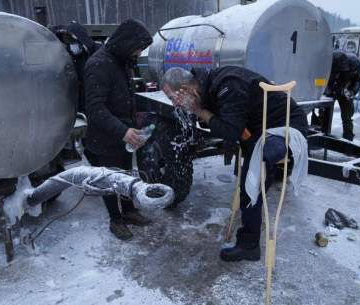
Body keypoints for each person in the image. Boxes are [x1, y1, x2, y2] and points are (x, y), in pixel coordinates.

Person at [161, 66, 308, 262]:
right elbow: (220, 122)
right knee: (249, 179)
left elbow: (230, 131)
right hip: (259, 129)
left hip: (285, 129)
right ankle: (253, 217)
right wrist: (199, 111)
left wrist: (197, 110)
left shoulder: (228, 86)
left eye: (173, 98)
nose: (176, 104)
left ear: (186, 89)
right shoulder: (209, 87)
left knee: (252, 181)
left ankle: (249, 246)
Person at [83, 19, 153, 240]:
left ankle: (129, 211)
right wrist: (123, 131)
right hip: (104, 137)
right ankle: (116, 220)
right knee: (109, 180)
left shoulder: (121, 61)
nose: (140, 52)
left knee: (125, 175)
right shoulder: (98, 64)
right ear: (127, 42)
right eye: (139, 47)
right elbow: (95, 109)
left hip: (123, 133)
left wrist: (135, 124)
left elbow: (125, 97)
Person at [324, 51, 360, 141]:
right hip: (333, 88)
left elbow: (358, 80)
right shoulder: (332, 61)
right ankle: (322, 131)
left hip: (346, 90)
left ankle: (348, 137)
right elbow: (326, 78)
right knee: (324, 111)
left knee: (347, 115)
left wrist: (352, 91)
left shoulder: (354, 63)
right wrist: (327, 90)